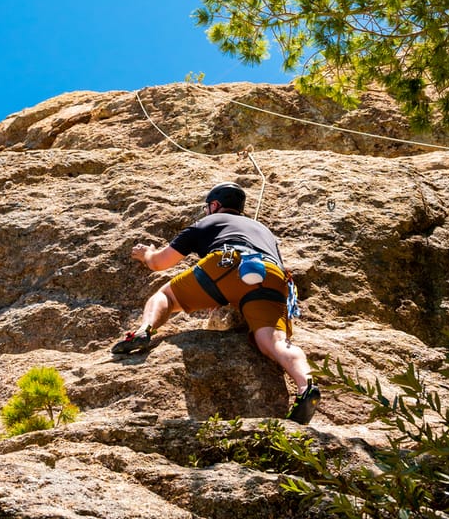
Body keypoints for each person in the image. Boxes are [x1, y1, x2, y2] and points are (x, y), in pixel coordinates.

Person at [111, 181, 321, 424]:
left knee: (166, 296)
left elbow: (160, 262)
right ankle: (306, 386)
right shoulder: (264, 231)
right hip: (272, 275)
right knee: (273, 342)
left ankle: (142, 331)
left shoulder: (207, 222)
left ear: (214, 205)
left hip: (226, 263)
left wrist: (146, 253)